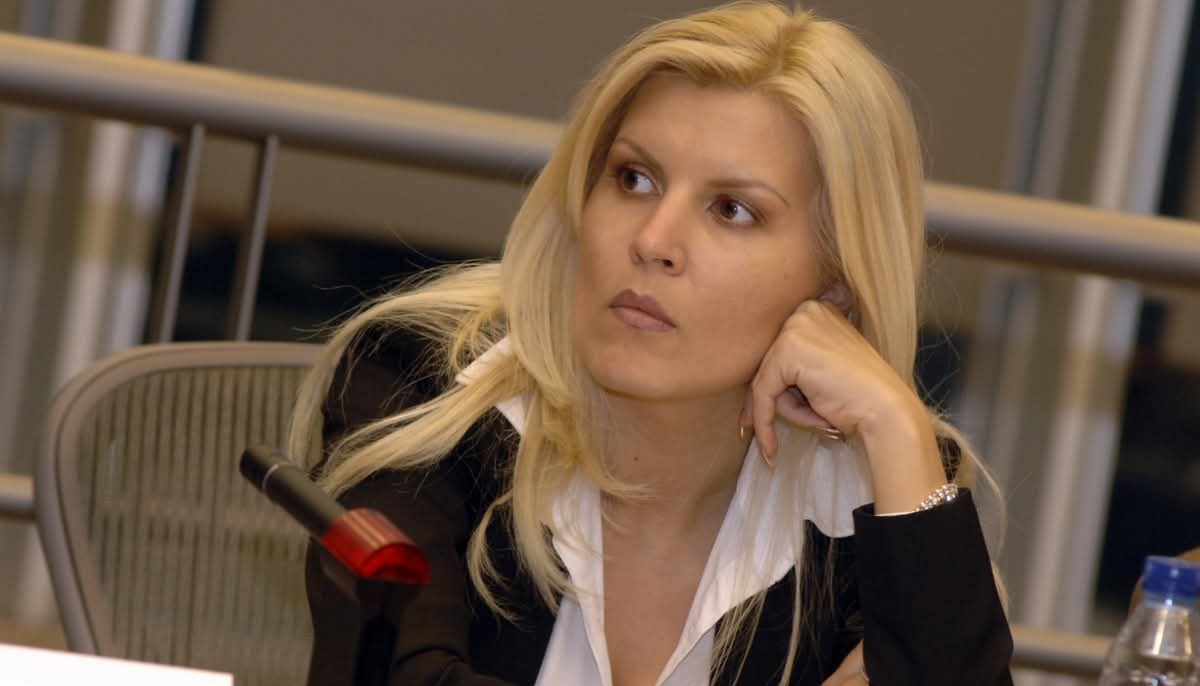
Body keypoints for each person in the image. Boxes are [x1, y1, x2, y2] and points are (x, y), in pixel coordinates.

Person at [291, 2, 1013, 684]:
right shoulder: (419, 385)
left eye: (732, 210)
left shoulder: (878, 486)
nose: (653, 239)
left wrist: (897, 428)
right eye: (634, 178)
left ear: (835, 286)